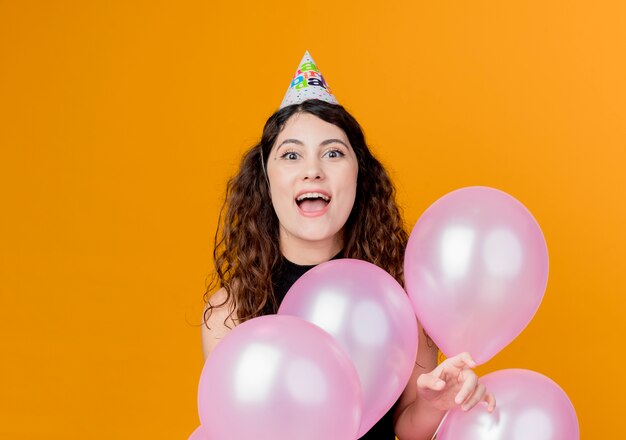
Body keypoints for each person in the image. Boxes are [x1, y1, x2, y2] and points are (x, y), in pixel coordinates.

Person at [201, 53, 495, 440]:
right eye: (291, 155)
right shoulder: (231, 309)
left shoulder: (402, 298)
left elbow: (408, 431)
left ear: (360, 174)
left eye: (334, 153)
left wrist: (433, 404)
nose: (313, 169)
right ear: (265, 178)